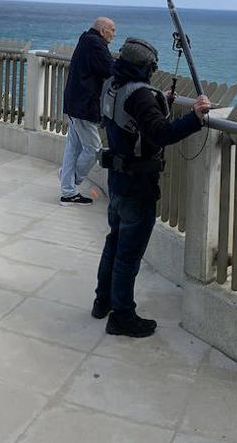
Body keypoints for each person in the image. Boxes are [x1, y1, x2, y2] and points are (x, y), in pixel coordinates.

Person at [93, 37, 209, 338]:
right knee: (128, 254)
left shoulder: (112, 85)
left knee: (114, 241)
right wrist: (195, 117)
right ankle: (122, 315)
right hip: (137, 185)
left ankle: (102, 300)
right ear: (146, 66)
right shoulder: (141, 95)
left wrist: (160, 102)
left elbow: (133, 120)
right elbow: (159, 134)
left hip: (117, 180)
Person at [58, 17, 116, 205]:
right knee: (93, 148)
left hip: (75, 103)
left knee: (73, 149)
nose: (113, 35)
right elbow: (111, 70)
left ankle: (67, 191)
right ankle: (70, 181)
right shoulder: (96, 45)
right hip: (83, 105)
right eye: (112, 30)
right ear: (102, 30)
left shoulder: (86, 40)